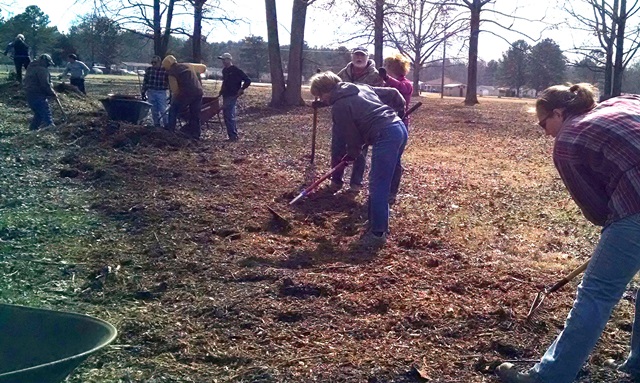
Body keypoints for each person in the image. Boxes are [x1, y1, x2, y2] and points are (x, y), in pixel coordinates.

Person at [496, 83, 640, 383]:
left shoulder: (568, 140)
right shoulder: (624, 102)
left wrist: (619, 235)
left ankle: (549, 377)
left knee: (597, 294)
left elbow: (596, 209)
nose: (545, 131)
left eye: (544, 123)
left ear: (559, 113)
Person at [310, 71, 407, 249]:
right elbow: (394, 94)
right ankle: (375, 223)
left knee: (378, 184)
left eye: (320, 96)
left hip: (385, 135)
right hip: (399, 128)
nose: (321, 100)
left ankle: (378, 233)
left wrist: (352, 154)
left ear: (326, 91)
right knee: (380, 181)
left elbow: (352, 138)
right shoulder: (360, 87)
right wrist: (401, 112)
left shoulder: (339, 106)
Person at [330, 47, 384, 193]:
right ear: (352, 57)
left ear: (367, 58)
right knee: (337, 148)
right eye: (356, 55)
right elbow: (333, 92)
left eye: (362, 55)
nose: (359, 58)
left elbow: (382, 95)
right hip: (343, 117)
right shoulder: (343, 74)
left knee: (360, 151)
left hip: (363, 119)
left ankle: (355, 184)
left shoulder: (376, 76)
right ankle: (336, 180)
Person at [379, 53, 414, 205]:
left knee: (395, 160)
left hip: (399, 125)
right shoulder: (385, 84)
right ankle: (381, 189)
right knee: (383, 159)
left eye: (387, 67)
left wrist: (387, 79)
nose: (385, 69)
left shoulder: (406, 83)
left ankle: (392, 192)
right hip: (383, 124)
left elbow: (400, 88)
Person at [161, 55, 206, 139]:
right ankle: (196, 135)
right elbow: (203, 68)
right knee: (195, 114)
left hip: (186, 93)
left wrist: (173, 100)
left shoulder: (172, 73)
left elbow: (175, 90)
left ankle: (171, 131)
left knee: (173, 110)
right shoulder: (188, 65)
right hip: (198, 92)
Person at [218, 52, 251, 141]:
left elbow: (248, 80)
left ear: (229, 60)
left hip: (233, 95)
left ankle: (233, 136)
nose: (223, 62)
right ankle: (232, 134)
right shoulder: (224, 70)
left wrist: (241, 89)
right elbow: (225, 82)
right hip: (225, 94)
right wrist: (221, 91)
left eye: (224, 60)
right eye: (222, 60)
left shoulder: (236, 70)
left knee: (229, 115)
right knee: (226, 115)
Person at [23, 54, 58, 130]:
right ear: (44, 61)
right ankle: (50, 125)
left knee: (38, 112)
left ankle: (33, 128)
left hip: (29, 92)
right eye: (48, 63)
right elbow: (45, 84)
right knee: (44, 108)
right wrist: (51, 93)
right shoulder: (42, 70)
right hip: (37, 93)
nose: (48, 65)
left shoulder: (31, 67)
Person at [141, 55, 169, 128]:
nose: (153, 64)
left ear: (159, 62)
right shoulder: (149, 70)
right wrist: (143, 92)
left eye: (155, 62)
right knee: (153, 110)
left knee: (163, 109)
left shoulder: (165, 70)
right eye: (152, 62)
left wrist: (172, 93)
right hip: (151, 91)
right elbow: (145, 82)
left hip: (161, 92)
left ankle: (166, 124)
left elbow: (170, 82)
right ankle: (156, 124)